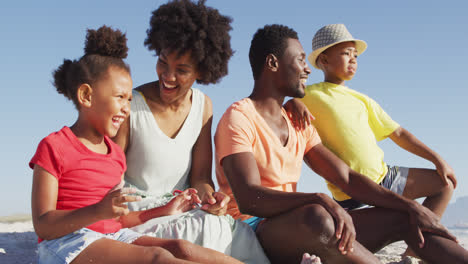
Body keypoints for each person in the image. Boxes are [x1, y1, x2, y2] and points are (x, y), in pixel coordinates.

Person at [215, 24, 468, 264]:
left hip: (302, 228)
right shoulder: (238, 117)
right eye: (300, 60)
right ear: (272, 63)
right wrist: (320, 198)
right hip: (254, 231)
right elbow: (249, 198)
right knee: (317, 217)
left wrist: (411, 205)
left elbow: (345, 176)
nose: (307, 69)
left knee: (404, 217)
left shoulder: (297, 122)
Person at [30, 25, 243, 264]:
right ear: (86, 96)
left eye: (130, 99)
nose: (127, 108)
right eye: (120, 97)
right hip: (68, 242)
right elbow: (43, 226)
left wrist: (163, 211)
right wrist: (98, 211)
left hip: (112, 236)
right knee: (157, 257)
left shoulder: (115, 156)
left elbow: (118, 220)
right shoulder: (54, 146)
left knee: (181, 247)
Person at [113, 1, 269, 263]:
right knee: (201, 230)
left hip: (185, 208)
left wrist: (211, 199)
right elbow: (109, 179)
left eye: (182, 70)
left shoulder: (203, 106)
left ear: (203, 71)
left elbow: (200, 178)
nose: (168, 76)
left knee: (228, 229)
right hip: (140, 215)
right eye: (163, 62)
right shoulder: (130, 105)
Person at [290, 23, 456, 259]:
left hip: (385, 177)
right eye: (346, 53)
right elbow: (281, 106)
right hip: (351, 192)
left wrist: (437, 159)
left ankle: (411, 255)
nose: (353, 60)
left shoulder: (362, 99)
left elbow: (398, 134)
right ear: (324, 61)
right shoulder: (310, 94)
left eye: (355, 55)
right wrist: (293, 102)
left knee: (444, 183)